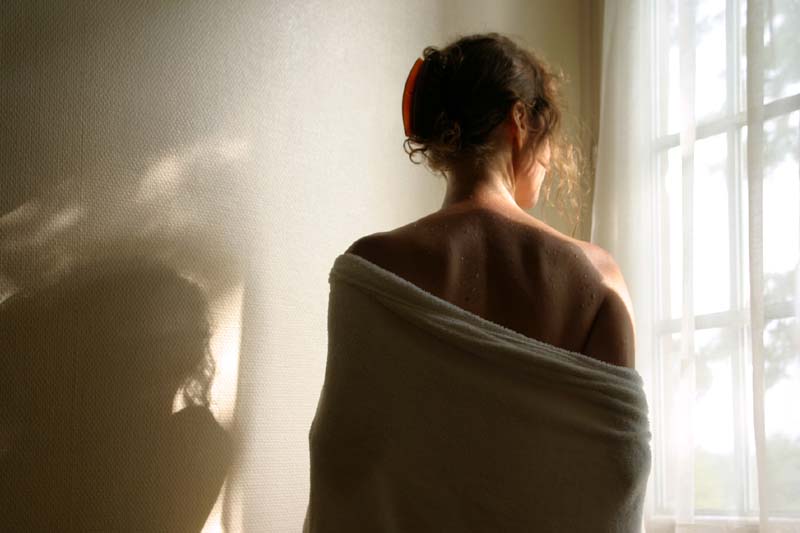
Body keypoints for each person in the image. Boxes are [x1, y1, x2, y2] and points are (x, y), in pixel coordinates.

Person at [346, 32, 636, 369]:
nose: (550, 155)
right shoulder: (599, 277)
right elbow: (612, 406)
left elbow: (356, 404)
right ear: (520, 118)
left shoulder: (370, 265)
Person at [0, 256, 232, 532]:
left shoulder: (192, 444)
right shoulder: (50, 449)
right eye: (152, 350)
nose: (166, 370)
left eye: (186, 345)